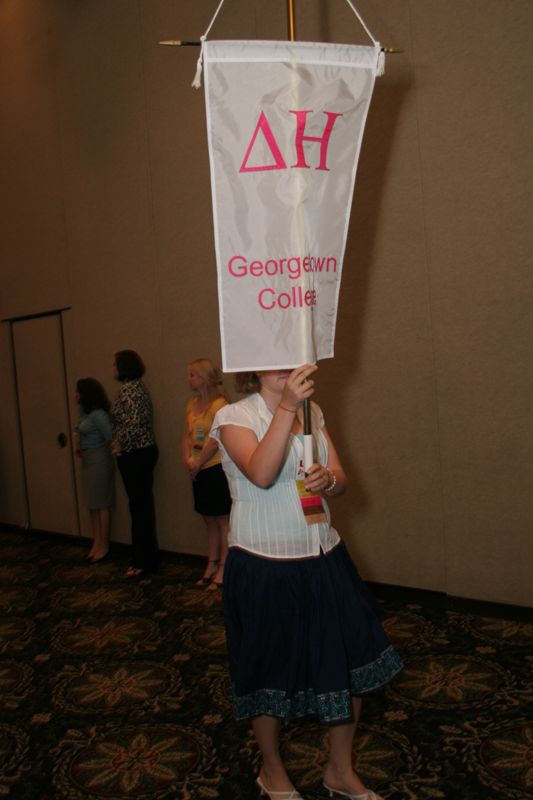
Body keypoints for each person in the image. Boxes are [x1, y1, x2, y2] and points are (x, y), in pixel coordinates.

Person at [210, 364, 403, 800]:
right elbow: (261, 473)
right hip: (263, 563)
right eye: (277, 361)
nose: (290, 367)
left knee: (353, 659)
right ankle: (272, 769)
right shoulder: (233, 417)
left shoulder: (313, 412)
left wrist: (328, 480)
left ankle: (339, 769)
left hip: (323, 555)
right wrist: (287, 408)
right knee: (268, 671)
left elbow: (341, 476)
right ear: (255, 368)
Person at [182, 358, 231, 589]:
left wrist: (198, 463)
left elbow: (214, 440)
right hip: (197, 469)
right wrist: (188, 459)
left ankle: (224, 568)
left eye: (192, 375)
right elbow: (187, 435)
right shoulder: (192, 404)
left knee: (223, 521)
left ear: (203, 378)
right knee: (208, 520)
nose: (188, 379)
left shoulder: (220, 405)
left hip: (215, 469)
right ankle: (210, 565)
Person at [111, 350, 159, 577]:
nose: (112, 368)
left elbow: (131, 424)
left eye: (115, 364)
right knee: (143, 507)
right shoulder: (139, 387)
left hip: (134, 454)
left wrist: (118, 445)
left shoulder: (128, 389)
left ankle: (142, 561)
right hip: (144, 452)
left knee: (138, 509)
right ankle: (146, 558)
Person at [75, 378, 115, 562]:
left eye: (78, 392)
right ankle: (96, 542)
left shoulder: (99, 414)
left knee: (101, 503)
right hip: (88, 459)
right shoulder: (85, 412)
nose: (75, 395)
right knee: (92, 504)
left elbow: (110, 436)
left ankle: (104, 545)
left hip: (99, 459)